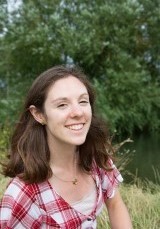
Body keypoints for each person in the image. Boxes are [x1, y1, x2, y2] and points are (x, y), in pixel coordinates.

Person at [0, 65, 132, 228]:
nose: (78, 112)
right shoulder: (22, 195)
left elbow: (115, 204)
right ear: (39, 114)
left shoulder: (96, 158)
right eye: (62, 105)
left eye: (83, 101)